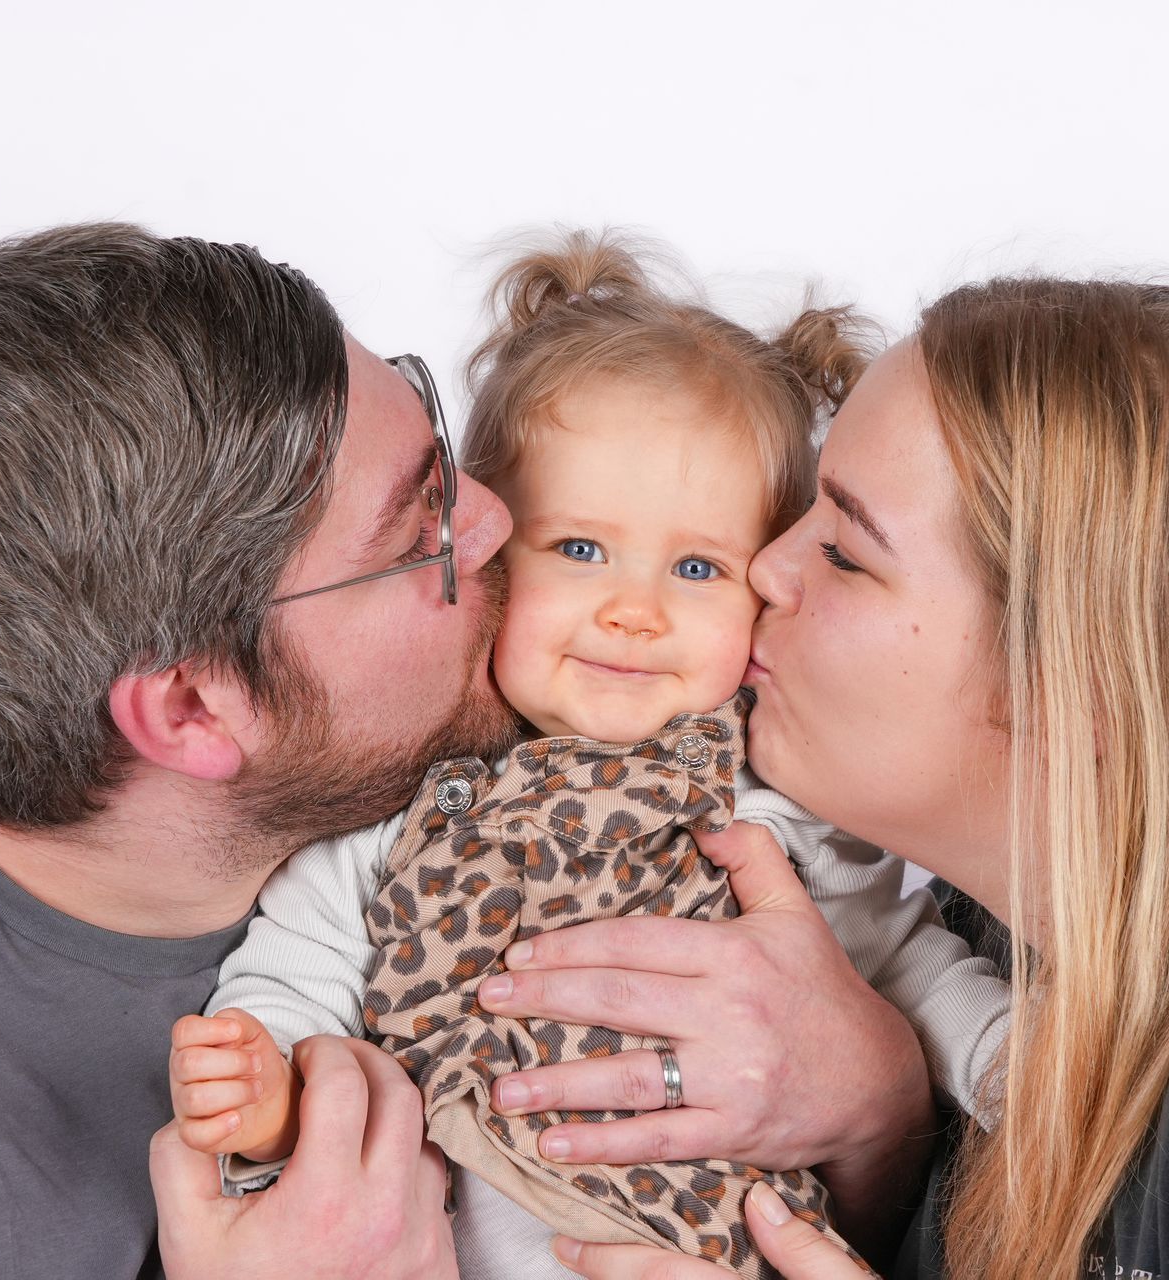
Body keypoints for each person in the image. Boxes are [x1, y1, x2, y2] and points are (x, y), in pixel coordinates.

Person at [0, 222, 934, 1279]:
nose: (500, 522)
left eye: (441, 452)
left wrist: (881, 1104)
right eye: (417, 530)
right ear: (197, 711)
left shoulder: (593, 761)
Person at [492, 278, 1169, 1279]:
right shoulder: (989, 931)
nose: (765, 567)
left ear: (1076, 686)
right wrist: (881, 1123)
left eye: (845, 552)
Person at [163, 233, 1010, 1280]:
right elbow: (306, 953)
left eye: (697, 567)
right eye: (579, 549)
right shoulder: (423, 798)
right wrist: (262, 1082)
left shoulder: (770, 807)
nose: (634, 610)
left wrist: (1005, 1059)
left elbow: (909, 967)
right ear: (486, 550)